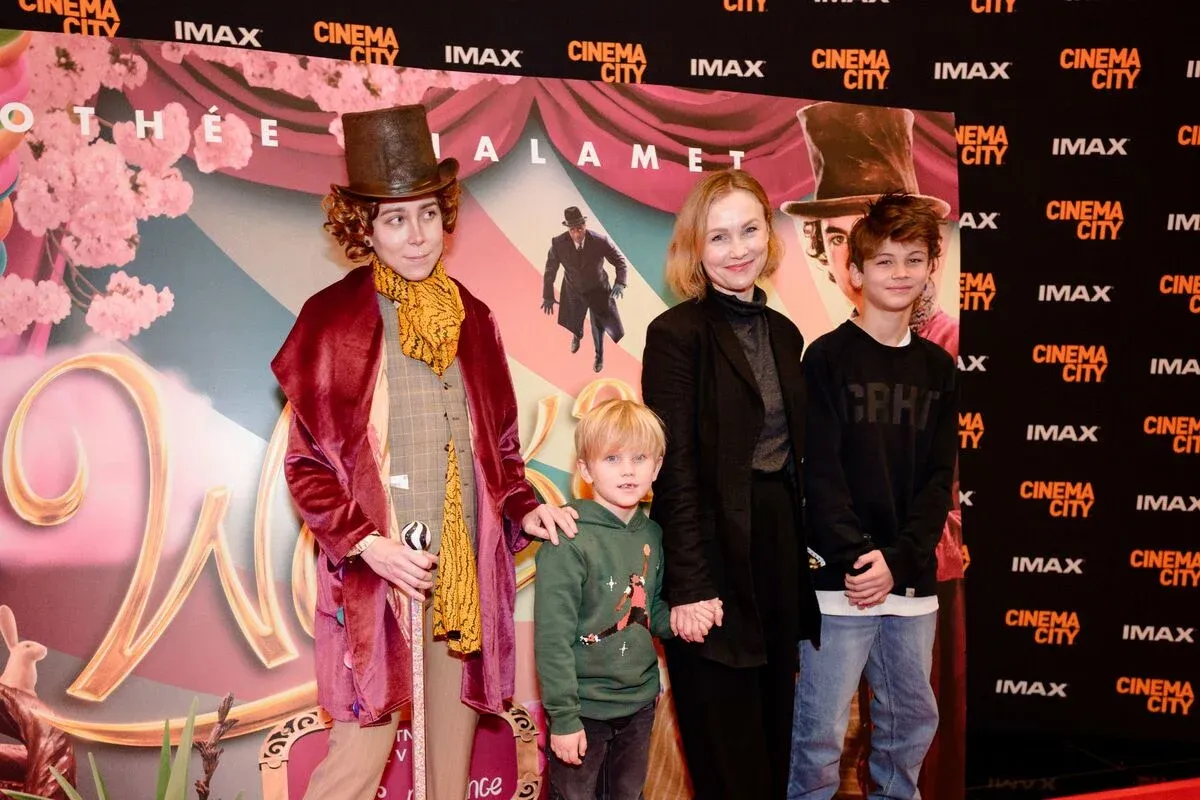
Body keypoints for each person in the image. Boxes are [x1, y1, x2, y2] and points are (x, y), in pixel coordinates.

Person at [271, 104, 578, 800]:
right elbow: (308, 467)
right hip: (379, 574)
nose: (416, 236)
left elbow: (500, 450)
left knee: (448, 766)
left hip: (461, 571)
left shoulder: (475, 317)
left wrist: (524, 508)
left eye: (428, 215)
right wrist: (368, 546)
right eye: (395, 219)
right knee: (355, 761)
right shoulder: (330, 321)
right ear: (365, 228)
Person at [783, 101, 966, 798]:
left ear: (930, 267)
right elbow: (819, 474)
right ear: (855, 269)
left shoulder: (939, 368)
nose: (899, 272)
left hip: (909, 582)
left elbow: (937, 480)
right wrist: (861, 559)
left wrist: (900, 558)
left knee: (910, 725)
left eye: (913, 259)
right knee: (821, 732)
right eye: (883, 260)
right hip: (841, 582)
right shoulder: (826, 359)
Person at [642, 168, 821, 799]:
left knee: (773, 747)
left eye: (749, 230)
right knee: (726, 759)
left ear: (769, 235)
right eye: (719, 237)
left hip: (775, 557)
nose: (737, 249)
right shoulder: (675, 336)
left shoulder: (785, 334)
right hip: (711, 562)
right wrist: (691, 586)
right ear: (695, 248)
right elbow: (675, 473)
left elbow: (794, 461)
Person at [534, 399, 672, 800]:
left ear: (656, 467)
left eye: (639, 458)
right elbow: (553, 640)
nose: (628, 470)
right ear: (585, 469)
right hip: (583, 712)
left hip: (639, 706)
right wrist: (563, 718)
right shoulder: (569, 537)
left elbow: (650, 613)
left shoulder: (653, 534)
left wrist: (683, 618)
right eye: (612, 458)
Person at [542, 206, 629, 373]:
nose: (577, 234)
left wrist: (620, 282)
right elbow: (550, 270)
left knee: (598, 326)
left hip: (598, 291)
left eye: (579, 229)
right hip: (573, 291)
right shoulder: (558, 243)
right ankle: (577, 335)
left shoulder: (600, 241)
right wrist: (547, 295)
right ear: (568, 229)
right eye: (573, 230)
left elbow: (620, 261)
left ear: (584, 225)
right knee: (575, 320)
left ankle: (599, 355)